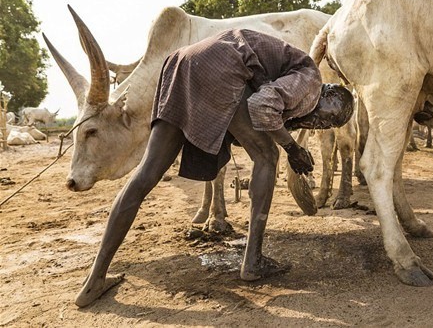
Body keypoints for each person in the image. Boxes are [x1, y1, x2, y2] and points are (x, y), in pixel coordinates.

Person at [75, 29, 354, 307]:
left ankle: (94, 281)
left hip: (182, 64)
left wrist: (287, 139)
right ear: (326, 95)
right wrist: (292, 149)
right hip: (220, 63)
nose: (318, 126)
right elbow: (260, 104)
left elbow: (253, 111)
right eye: (324, 120)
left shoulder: (293, 85)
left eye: (325, 127)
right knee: (267, 156)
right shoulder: (310, 79)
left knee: (147, 172)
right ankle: (253, 262)